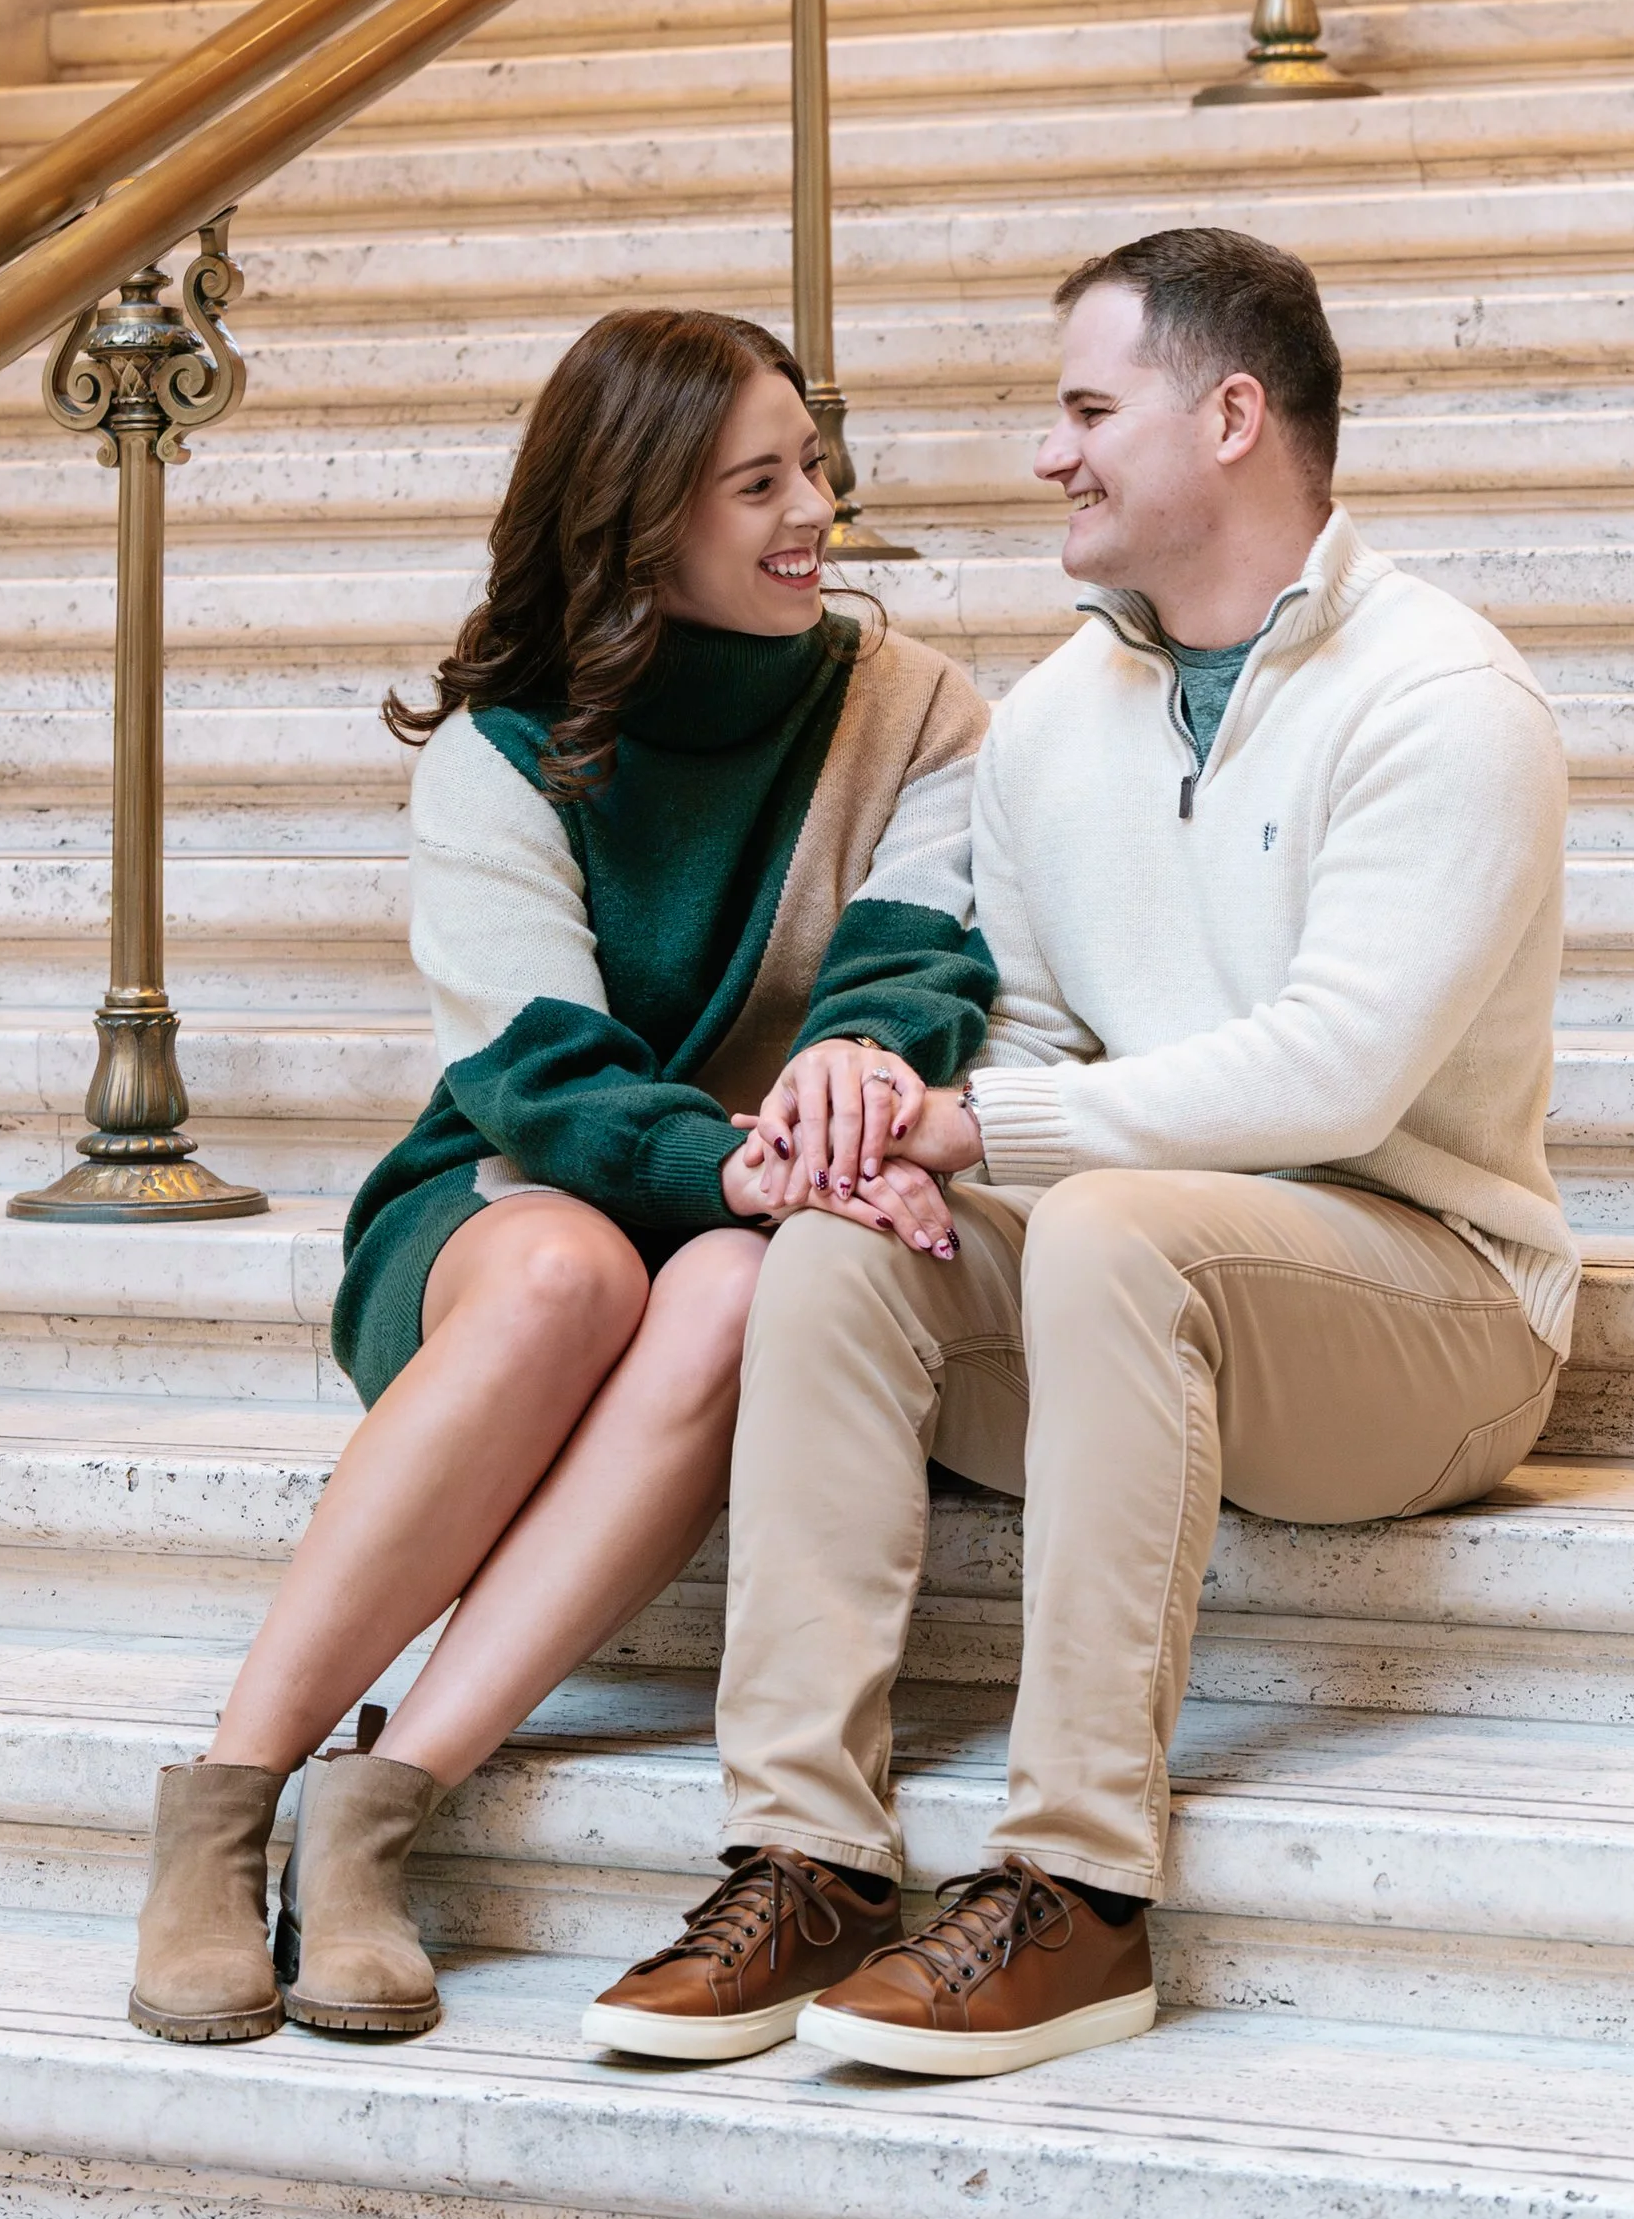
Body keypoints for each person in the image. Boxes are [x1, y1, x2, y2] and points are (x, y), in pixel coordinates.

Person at [585, 224, 1577, 2076]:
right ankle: (806, 1857)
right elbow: (1032, 1039)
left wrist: (997, 1124)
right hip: (1151, 1314)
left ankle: (1077, 1894)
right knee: (843, 1243)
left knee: (1117, 1229)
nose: (1048, 453)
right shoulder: (1049, 722)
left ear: (1227, 415)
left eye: (1084, 408)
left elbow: (1340, 1076)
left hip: (1431, 1316)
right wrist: (911, 1163)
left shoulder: (1446, 700)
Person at [127, 306, 994, 2048]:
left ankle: (379, 1815)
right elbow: (538, 1079)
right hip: (509, 1202)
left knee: (742, 1286)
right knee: (569, 1270)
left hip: (769, 1217)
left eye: (813, 466)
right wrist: (751, 1162)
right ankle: (221, 1811)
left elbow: (914, 989)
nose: (813, 510)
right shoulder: (505, 744)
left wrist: (807, 1149)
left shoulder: (914, 710)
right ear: (639, 517)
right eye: (758, 483)